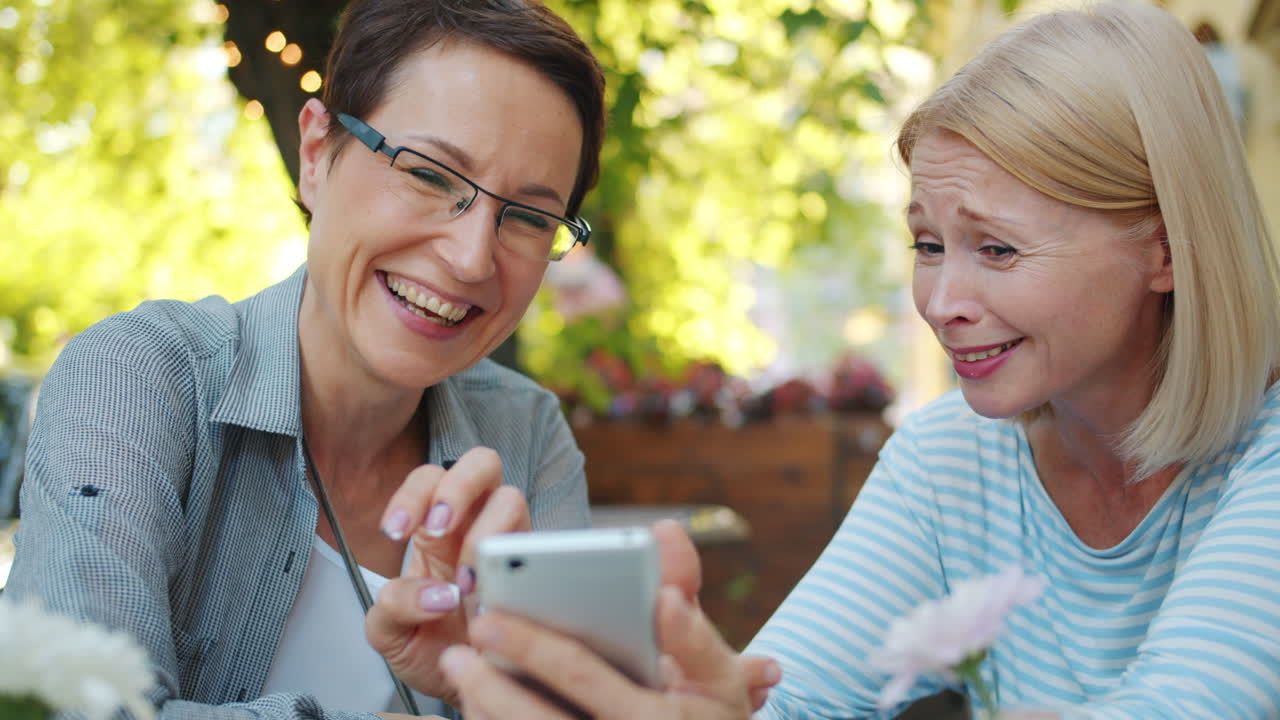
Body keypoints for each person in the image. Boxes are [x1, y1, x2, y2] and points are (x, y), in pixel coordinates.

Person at [437, 2, 1280, 718]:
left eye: (996, 248)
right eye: (928, 242)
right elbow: (781, 698)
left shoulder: (1264, 457)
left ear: (1165, 250)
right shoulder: (953, 455)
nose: (941, 300)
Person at [6, 1, 608, 718]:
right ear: (318, 156)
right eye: (427, 174)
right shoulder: (138, 379)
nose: (472, 257)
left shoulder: (528, 437)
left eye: (531, 217)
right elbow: (74, 710)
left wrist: (483, 691)